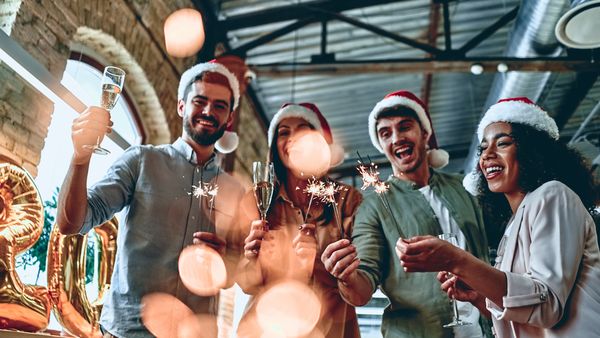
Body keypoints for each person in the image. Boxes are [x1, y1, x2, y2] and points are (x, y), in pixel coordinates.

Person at [56, 61, 245, 338]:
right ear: (182, 106)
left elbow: (234, 275)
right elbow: (72, 223)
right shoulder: (141, 160)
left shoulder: (236, 192)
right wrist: (80, 157)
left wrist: (224, 263)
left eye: (219, 106)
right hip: (128, 331)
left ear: (229, 118)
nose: (208, 111)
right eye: (200, 101)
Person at [397, 97, 600, 337]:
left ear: (531, 150)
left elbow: (547, 306)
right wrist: (479, 298)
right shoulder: (513, 224)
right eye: (483, 148)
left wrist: (458, 261)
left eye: (502, 143)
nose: (487, 155)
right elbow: (524, 316)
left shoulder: (553, 195)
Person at [321, 90, 491, 337]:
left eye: (405, 127)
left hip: (488, 329)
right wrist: (346, 276)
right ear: (382, 145)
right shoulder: (373, 206)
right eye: (386, 133)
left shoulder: (466, 187)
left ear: (425, 133)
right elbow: (362, 289)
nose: (397, 138)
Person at [236, 103, 363, 338]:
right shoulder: (256, 199)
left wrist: (319, 264)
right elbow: (246, 284)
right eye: (284, 132)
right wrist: (251, 259)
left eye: (303, 129)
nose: (293, 139)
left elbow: (362, 280)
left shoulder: (347, 200)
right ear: (275, 146)